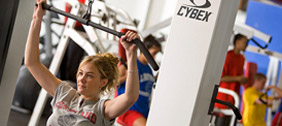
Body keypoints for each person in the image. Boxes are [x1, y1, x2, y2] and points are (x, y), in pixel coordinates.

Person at [25, 0, 140, 125]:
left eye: (89, 75)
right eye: (80, 73)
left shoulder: (102, 110)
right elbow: (32, 63)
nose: (82, 79)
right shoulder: (65, 94)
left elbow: (130, 97)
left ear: (103, 82)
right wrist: (37, 19)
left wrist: (131, 55)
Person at [116, 34, 162, 126]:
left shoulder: (149, 69)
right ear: (145, 50)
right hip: (130, 110)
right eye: (153, 53)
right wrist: (129, 76)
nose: (154, 57)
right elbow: (114, 82)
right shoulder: (130, 64)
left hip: (144, 110)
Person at [214, 34, 249, 125]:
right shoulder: (228, 56)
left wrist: (242, 80)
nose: (246, 45)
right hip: (224, 97)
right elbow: (221, 78)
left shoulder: (242, 58)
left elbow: (238, 77)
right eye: (245, 42)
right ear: (237, 43)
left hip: (233, 98)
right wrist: (238, 78)